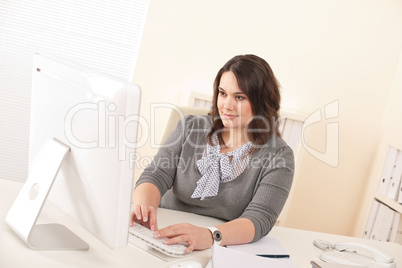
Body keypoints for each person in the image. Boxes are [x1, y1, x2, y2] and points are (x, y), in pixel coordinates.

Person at [130, 54, 294, 253]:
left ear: (262, 102)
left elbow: (260, 218)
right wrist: (143, 207)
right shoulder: (190, 127)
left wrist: (209, 235)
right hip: (163, 233)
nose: (227, 105)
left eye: (239, 97)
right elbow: (155, 175)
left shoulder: (279, 155)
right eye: (223, 93)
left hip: (222, 245)